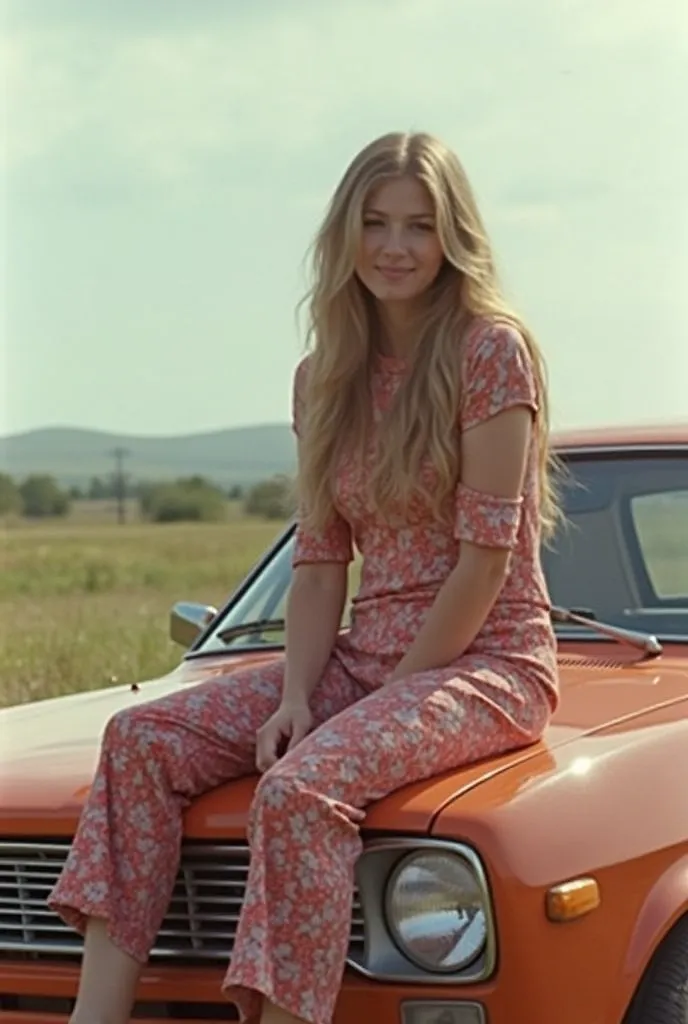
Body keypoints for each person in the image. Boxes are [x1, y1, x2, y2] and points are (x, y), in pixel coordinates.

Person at [48, 130, 560, 1024]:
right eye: (375, 222)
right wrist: (296, 695)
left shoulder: (490, 351)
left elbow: (484, 562)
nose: (395, 247)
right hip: (363, 660)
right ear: (344, 234)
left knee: (298, 787)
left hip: (487, 663)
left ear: (452, 239)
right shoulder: (321, 376)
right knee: (138, 739)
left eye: (419, 226)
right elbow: (321, 562)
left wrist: (376, 702)